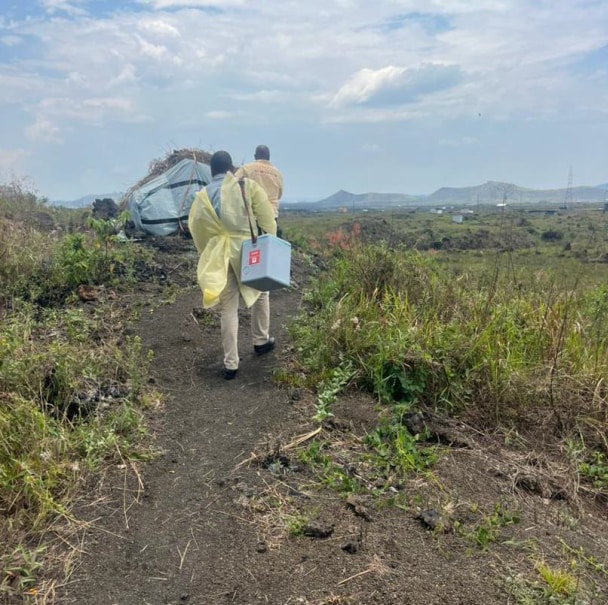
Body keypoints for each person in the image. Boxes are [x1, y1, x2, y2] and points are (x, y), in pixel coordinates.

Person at [188, 150, 277, 380]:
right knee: (261, 292)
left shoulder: (202, 196)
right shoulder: (245, 186)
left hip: (220, 255)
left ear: (212, 170)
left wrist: (209, 250)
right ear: (230, 168)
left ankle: (231, 364)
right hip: (248, 251)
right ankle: (261, 340)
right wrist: (269, 238)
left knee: (228, 308)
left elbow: (196, 229)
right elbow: (267, 217)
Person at [235, 145, 283, 236]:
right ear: (269, 157)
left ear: (255, 156)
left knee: (251, 248)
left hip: (251, 217)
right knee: (267, 247)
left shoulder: (246, 169)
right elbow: (279, 194)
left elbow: (233, 185)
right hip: (271, 217)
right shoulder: (278, 174)